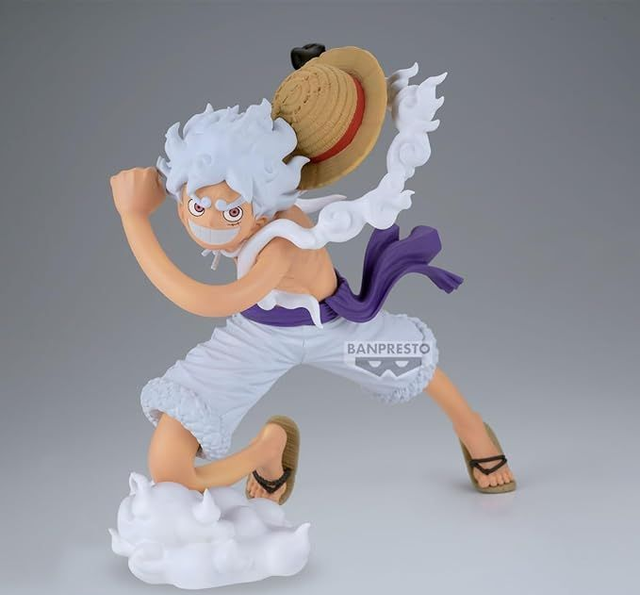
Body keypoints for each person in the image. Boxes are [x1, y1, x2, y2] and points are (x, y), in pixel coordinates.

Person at [109, 45, 515, 504]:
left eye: (231, 210)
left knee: (413, 361)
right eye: (198, 206)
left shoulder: (280, 241)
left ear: (261, 210)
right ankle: (269, 448)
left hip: (333, 328)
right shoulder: (257, 207)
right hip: (258, 335)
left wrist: (134, 218)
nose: (209, 222)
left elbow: (208, 302)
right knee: (170, 470)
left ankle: (471, 427)